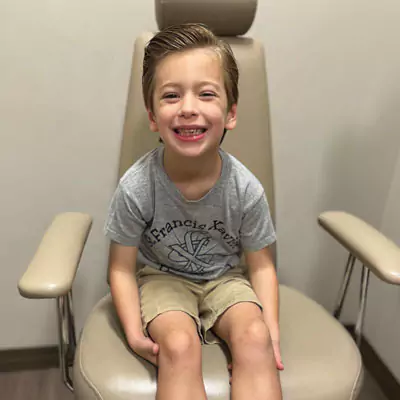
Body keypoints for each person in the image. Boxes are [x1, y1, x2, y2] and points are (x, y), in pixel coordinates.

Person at [104, 23, 283, 400]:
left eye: (206, 94)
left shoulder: (245, 189)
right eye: (171, 96)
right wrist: (135, 332)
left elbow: (262, 265)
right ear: (152, 117)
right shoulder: (137, 187)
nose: (188, 108)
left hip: (226, 280)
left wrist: (270, 333)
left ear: (230, 114)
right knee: (179, 345)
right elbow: (120, 267)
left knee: (253, 336)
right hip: (161, 281)